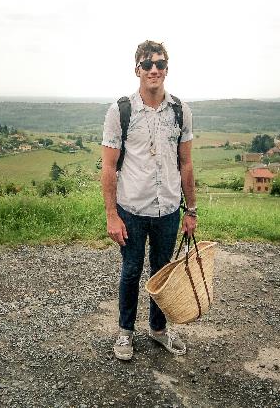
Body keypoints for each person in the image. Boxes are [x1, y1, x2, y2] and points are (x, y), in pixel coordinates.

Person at [101, 40, 198, 361]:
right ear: (137, 70)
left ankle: (158, 330)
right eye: (147, 64)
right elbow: (108, 166)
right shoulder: (121, 111)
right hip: (132, 209)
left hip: (169, 209)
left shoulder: (180, 111)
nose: (153, 69)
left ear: (167, 69)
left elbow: (186, 163)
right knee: (131, 271)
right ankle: (125, 333)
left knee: (162, 271)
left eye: (159, 64)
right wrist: (112, 215)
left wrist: (191, 210)